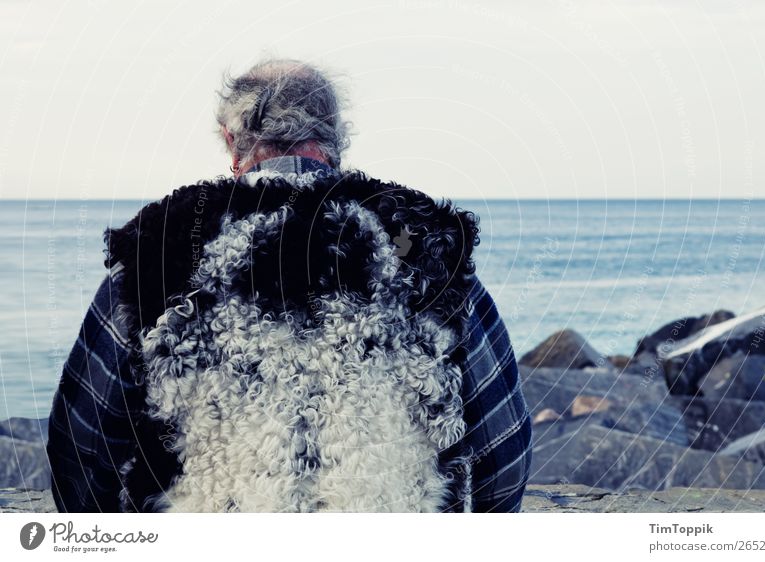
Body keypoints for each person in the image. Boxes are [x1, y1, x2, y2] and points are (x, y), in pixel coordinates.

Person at [47, 58, 532, 512]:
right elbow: (502, 450)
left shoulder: (154, 248)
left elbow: (82, 444)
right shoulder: (427, 245)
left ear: (230, 138)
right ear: (336, 136)